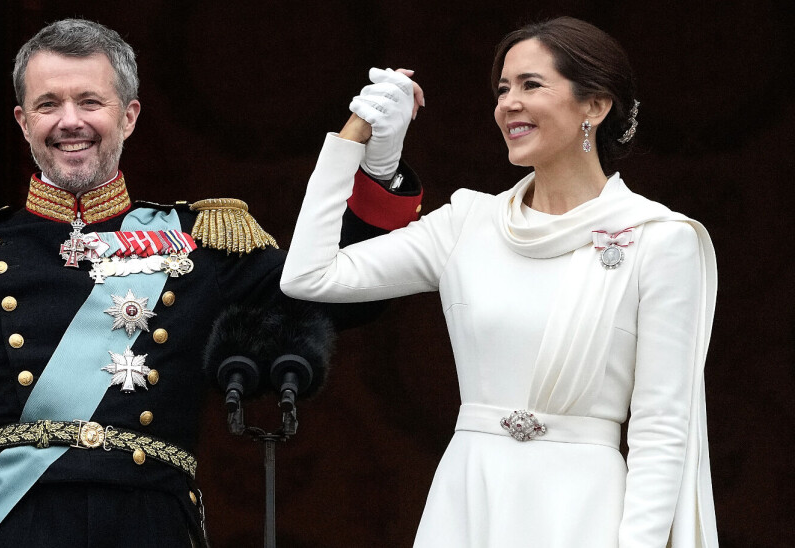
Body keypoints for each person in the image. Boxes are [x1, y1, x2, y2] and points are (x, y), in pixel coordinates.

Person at [0, 19, 422, 548]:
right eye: (48, 104)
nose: (69, 121)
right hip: (17, 526)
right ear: (22, 122)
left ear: (129, 116)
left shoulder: (204, 241)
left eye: (90, 102)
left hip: (150, 523)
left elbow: (334, 291)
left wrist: (378, 167)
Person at [281, 16, 718, 548]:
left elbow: (662, 430)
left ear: (595, 106)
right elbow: (308, 275)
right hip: (468, 499)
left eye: (532, 85)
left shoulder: (657, 239)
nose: (508, 102)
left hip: (581, 510)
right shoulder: (468, 221)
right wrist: (357, 145)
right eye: (503, 88)